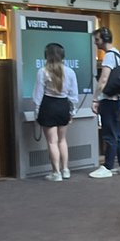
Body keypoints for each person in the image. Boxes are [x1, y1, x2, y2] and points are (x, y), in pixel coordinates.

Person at [33, 42, 78, 182]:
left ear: (46, 55)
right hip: (64, 105)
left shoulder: (42, 71)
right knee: (63, 140)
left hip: (48, 106)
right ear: (63, 55)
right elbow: (74, 95)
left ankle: (56, 173)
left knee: (52, 142)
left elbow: (37, 95)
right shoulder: (70, 72)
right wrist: (72, 111)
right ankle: (66, 170)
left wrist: (36, 111)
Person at [90, 26, 120, 179]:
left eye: (97, 40)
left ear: (104, 39)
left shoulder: (108, 56)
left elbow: (104, 79)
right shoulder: (119, 54)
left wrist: (95, 98)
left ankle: (107, 166)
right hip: (119, 99)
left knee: (109, 134)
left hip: (108, 100)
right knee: (118, 133)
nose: (96, 43)